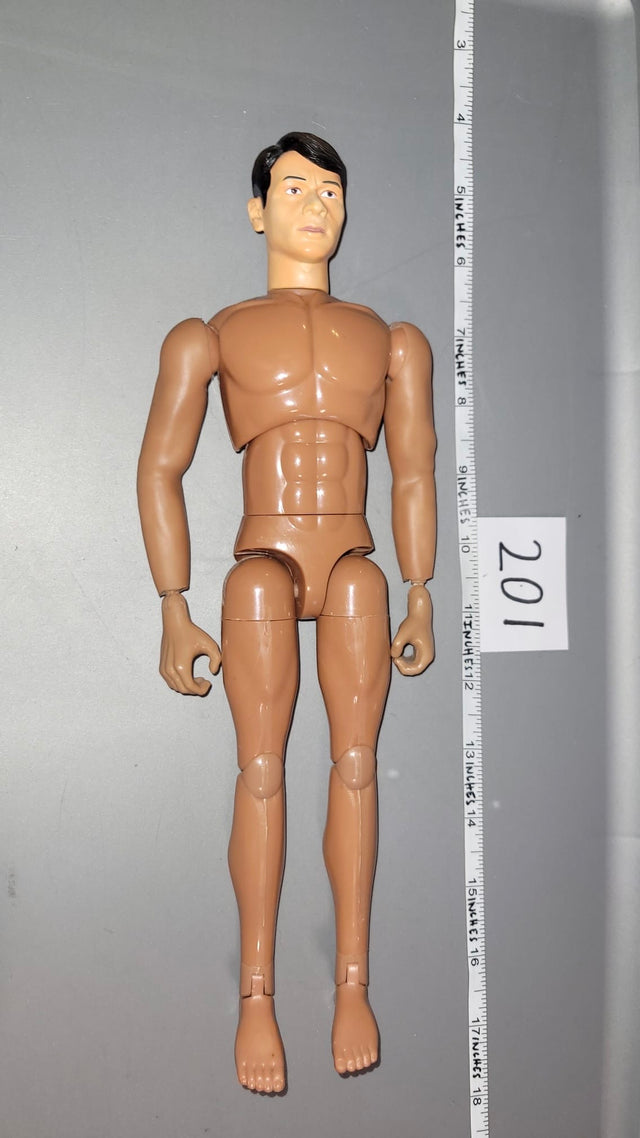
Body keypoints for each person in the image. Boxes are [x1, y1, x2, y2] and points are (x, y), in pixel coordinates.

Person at [137, 131, 436, 1093]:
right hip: (260, 557)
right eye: (297, 188)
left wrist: (421, 589)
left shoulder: (391, 340)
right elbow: (160, 469)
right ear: (258, 210)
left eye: (332, 190)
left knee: (358, 765)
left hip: (354, 559)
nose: (317, 205)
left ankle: (351, 985)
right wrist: (174, 604)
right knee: (260, 773)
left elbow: (414, 472)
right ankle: (256, 997)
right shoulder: (213, 335)